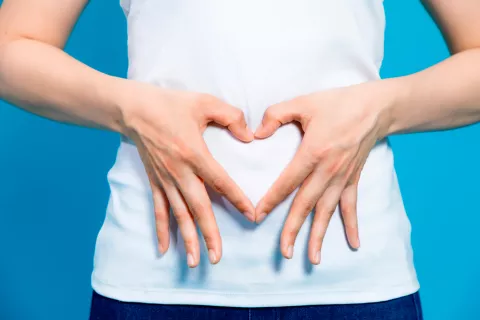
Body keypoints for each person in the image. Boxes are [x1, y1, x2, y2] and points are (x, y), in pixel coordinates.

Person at [1, 0, 479, 319]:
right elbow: (10, 46)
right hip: (156, 282)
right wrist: (131, 110)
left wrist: (382, 108)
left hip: (355, 285)